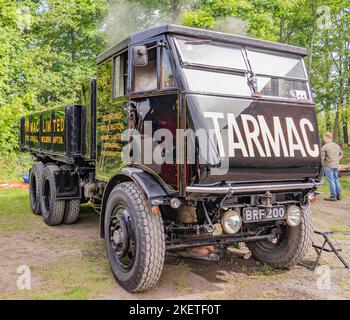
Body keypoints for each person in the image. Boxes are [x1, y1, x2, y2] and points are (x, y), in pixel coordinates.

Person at [321, 132, 343, 201]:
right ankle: (339, 195)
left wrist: (322, 164)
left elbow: (322, 157)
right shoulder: (337, 145)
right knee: (336, 179)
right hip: (336, 165)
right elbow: (341, 154)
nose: (323, 139)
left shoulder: (325, 147)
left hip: (328, 166)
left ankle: (333, 196)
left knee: (331, 181)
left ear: (326, 137)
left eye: (324, 137)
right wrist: (337, 160)